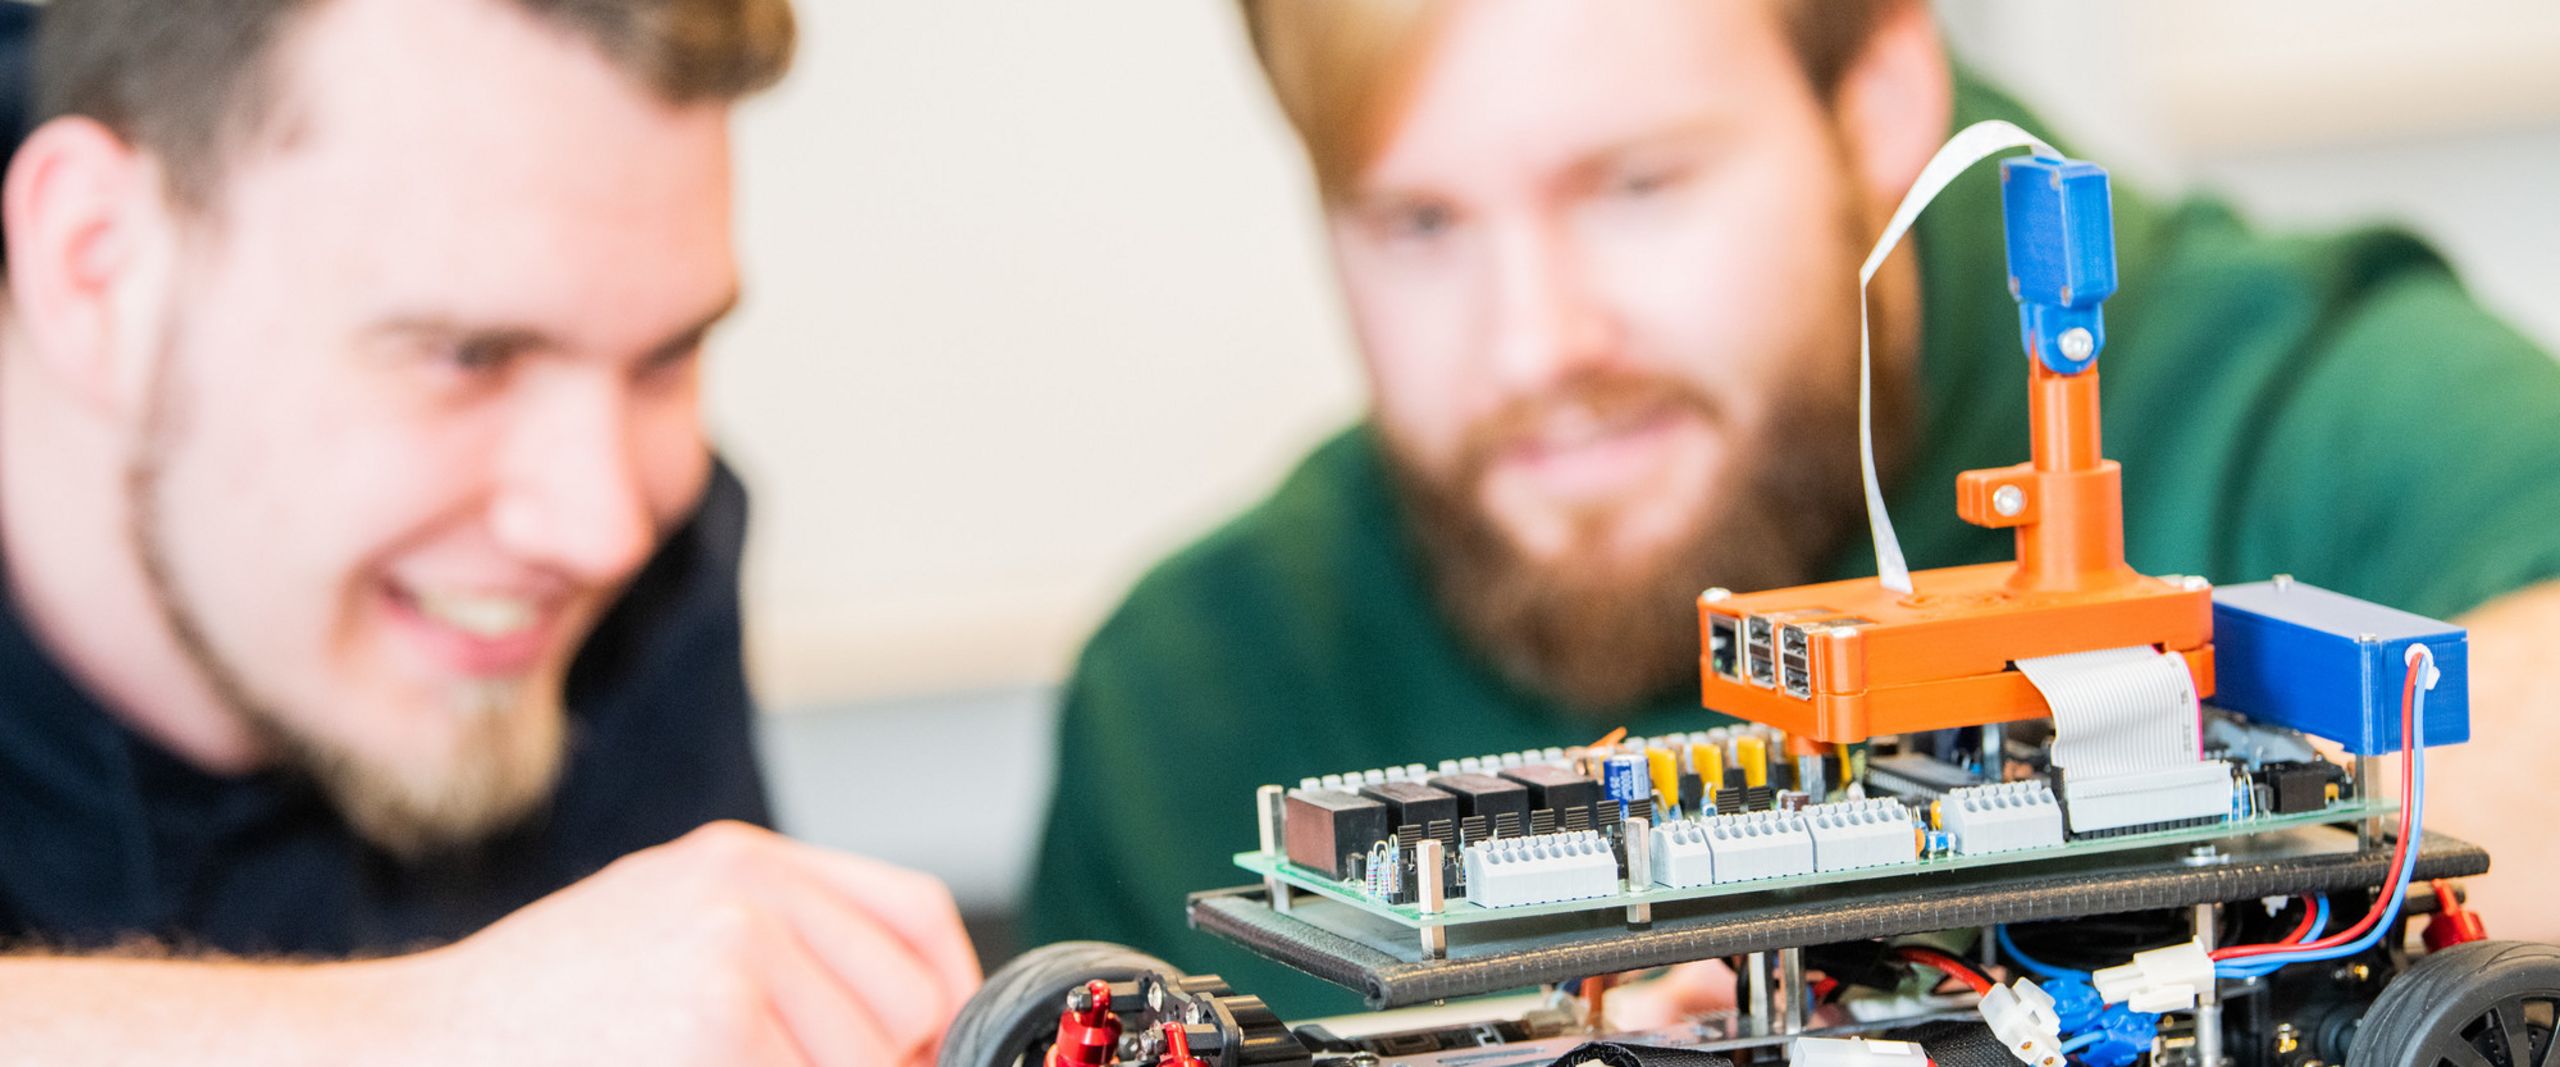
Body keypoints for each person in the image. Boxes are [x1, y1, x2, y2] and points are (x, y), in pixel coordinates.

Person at [1026, 0, 2560, 1016]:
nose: (1533, 345)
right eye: (1419, 222)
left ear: (1881, 95)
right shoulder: (1182, 702)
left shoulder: (2316, 404)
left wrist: (1888, 986)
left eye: (1636, 184)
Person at [0, 0, 975, 1061]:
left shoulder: (641, 573)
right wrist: (435, 1032)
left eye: (666, 358)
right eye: (468, 356)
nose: (602, 531)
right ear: (96, 266)